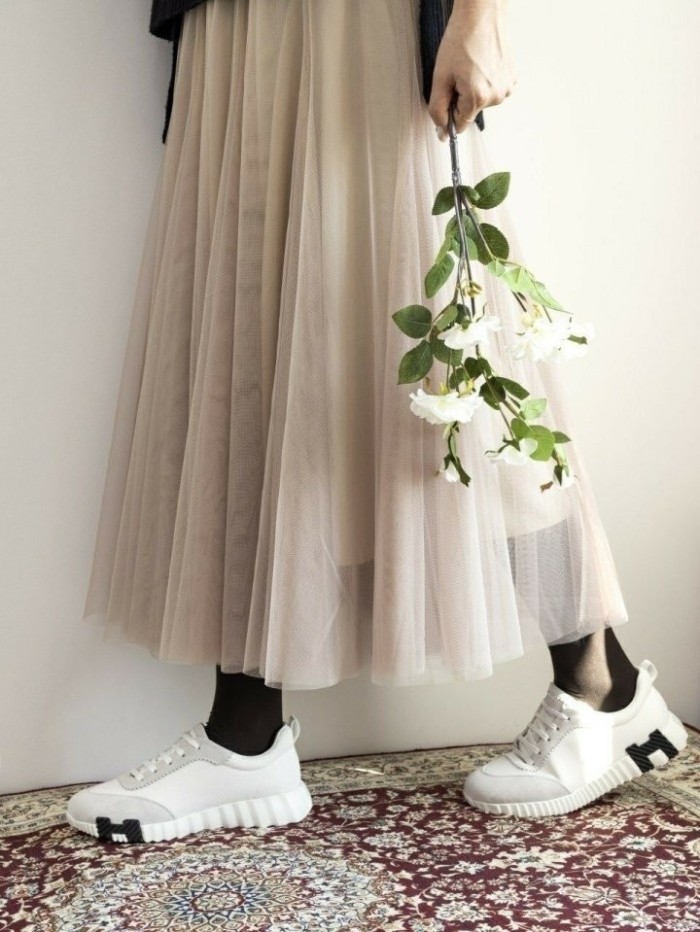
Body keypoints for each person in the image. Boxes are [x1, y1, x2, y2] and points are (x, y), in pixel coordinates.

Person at [66, 0, 686, 843]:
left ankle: (601, 683)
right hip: (233, 25)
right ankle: (244, 738)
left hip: (358, 18)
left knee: (440, 333)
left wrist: (478, 12)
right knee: (250, 334)